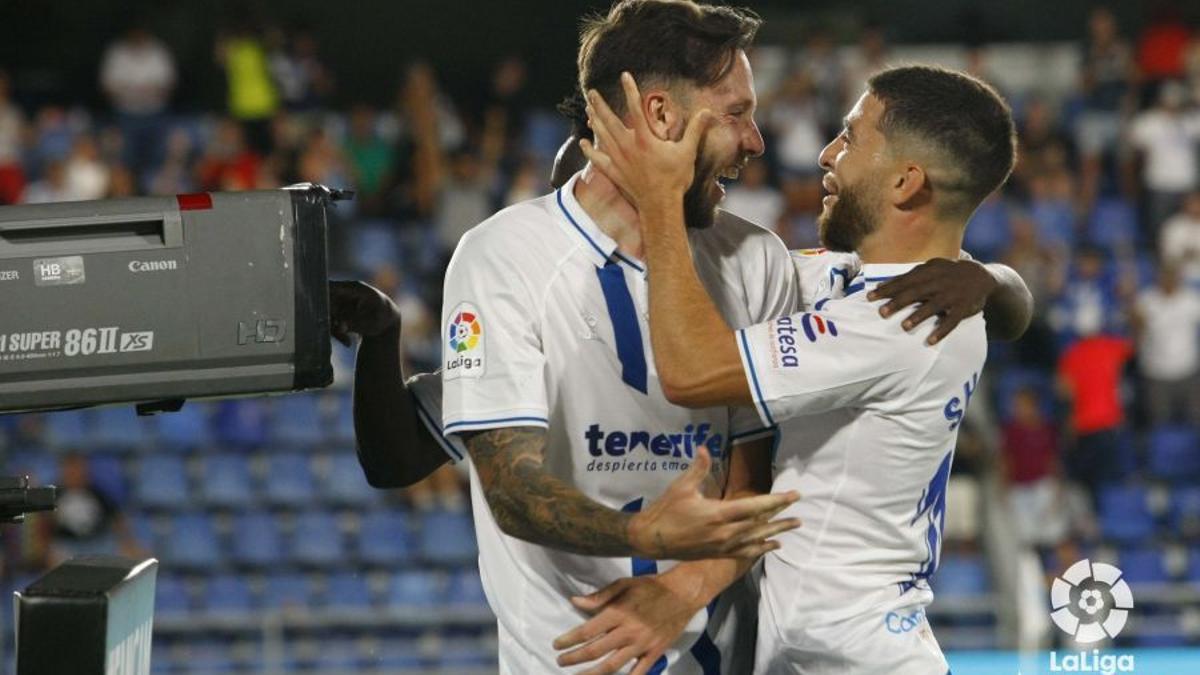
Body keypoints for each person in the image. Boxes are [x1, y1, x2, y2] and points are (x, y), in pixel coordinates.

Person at [578, 63, 1018, 673]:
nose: (826, 155)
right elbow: (1011, 307)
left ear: (906, 182)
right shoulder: (899, 284)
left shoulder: (904, 322)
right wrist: (998, 279)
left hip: (853, 656)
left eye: (851, 137)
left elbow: (692, 372)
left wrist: (657, 200)